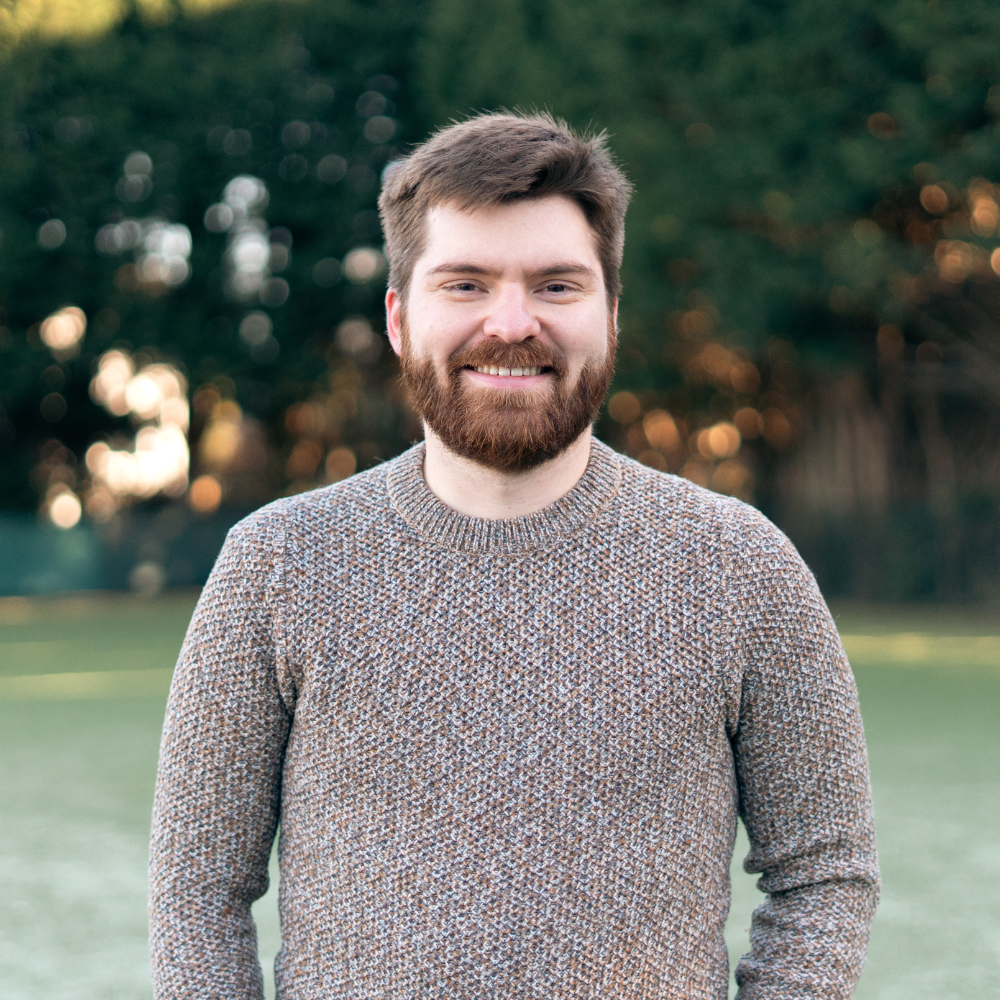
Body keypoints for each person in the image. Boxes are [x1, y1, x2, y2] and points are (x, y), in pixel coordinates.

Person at [149, 112, 878, 999]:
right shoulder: (278, 564)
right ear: (398, 318)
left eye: (556, 286)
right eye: (464, 284)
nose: (511, 322)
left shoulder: (740, 567)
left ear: (611, 315)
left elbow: (825, 874)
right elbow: (197, 888)